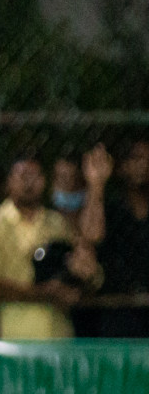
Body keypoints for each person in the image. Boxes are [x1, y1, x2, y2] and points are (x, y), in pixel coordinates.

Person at [0, 155, 100, 340]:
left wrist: (84, 279)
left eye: (35, 175)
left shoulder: (59, 224)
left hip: (60, 337)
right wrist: (47, 293)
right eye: (22, 176)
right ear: (8, 182)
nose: (29, 182)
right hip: (16, 340)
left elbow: (80, 271)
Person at [80, 140, 149, 337]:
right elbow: (91, 235)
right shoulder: (111, 208)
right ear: (121, 167)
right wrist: (96, 184)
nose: (143, 164)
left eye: (147, 158)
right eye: (136, 158)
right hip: (118, 312)